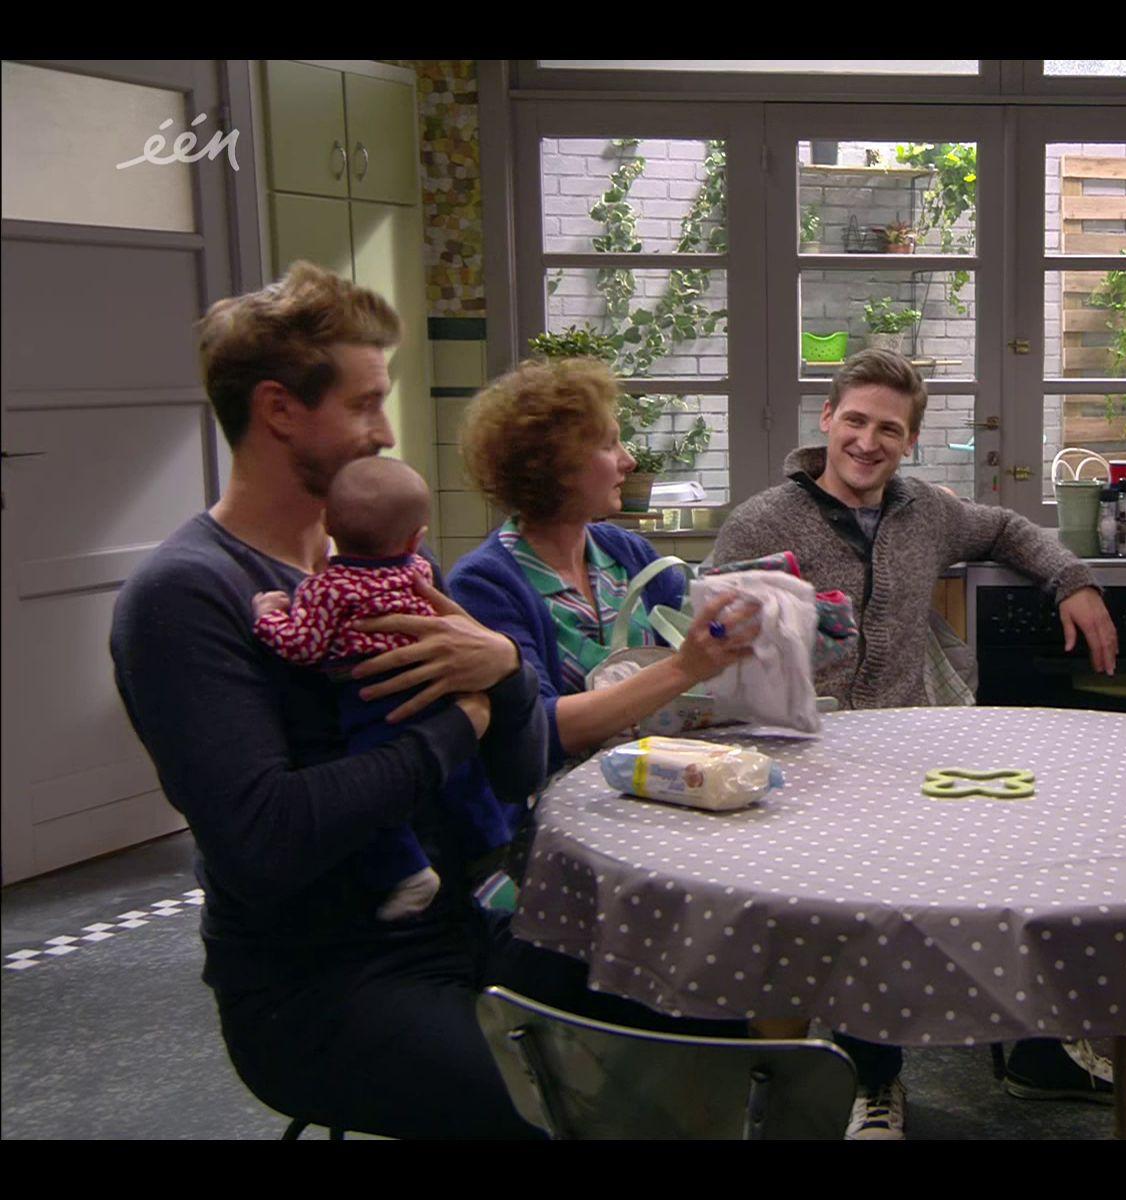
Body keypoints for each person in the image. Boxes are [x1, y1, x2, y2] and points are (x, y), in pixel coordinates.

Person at [109, 263, 737, 1141]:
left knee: (712, 1014)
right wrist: (459, 724)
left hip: (467, 930)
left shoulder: (388, 565)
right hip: (323, 987)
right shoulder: (187, 597)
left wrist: (506, 672)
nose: (386, 432)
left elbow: (518, 766)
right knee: (569, 1113)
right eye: (365, 404)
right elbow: (266, 839)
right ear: (279, 409)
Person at [712, 348, 1126, 1139]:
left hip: (911, 748)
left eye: (889, 429)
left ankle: (1039, 1053)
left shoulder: (927, 511)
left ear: (910, 440)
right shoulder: (762, 521)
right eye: (855, 421)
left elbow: (1009, 528)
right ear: (826, 420)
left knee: (1021, 867)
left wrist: (1074, 580)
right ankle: (872, 1079)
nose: (868, 442)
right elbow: (712, 643)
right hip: (807, 759)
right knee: (868, 909)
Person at [445, 356, 763, 776]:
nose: (628, 461)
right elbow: (540, 730)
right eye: (610, 445)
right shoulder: (483, 585)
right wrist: (685, 667)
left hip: (658, 782)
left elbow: (693, 629)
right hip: (554, 804)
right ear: (555, 467)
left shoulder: (624, 551)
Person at [252, 455, 500, 922]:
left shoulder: (325, 588)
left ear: (327, 523)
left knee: (380, 798)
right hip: (435, 685)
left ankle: (408, 872)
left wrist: (269, 616)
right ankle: (493, 848)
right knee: (463, 773)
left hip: (372, 699)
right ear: (416, 538)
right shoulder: (418, 571)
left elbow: (303, 647)